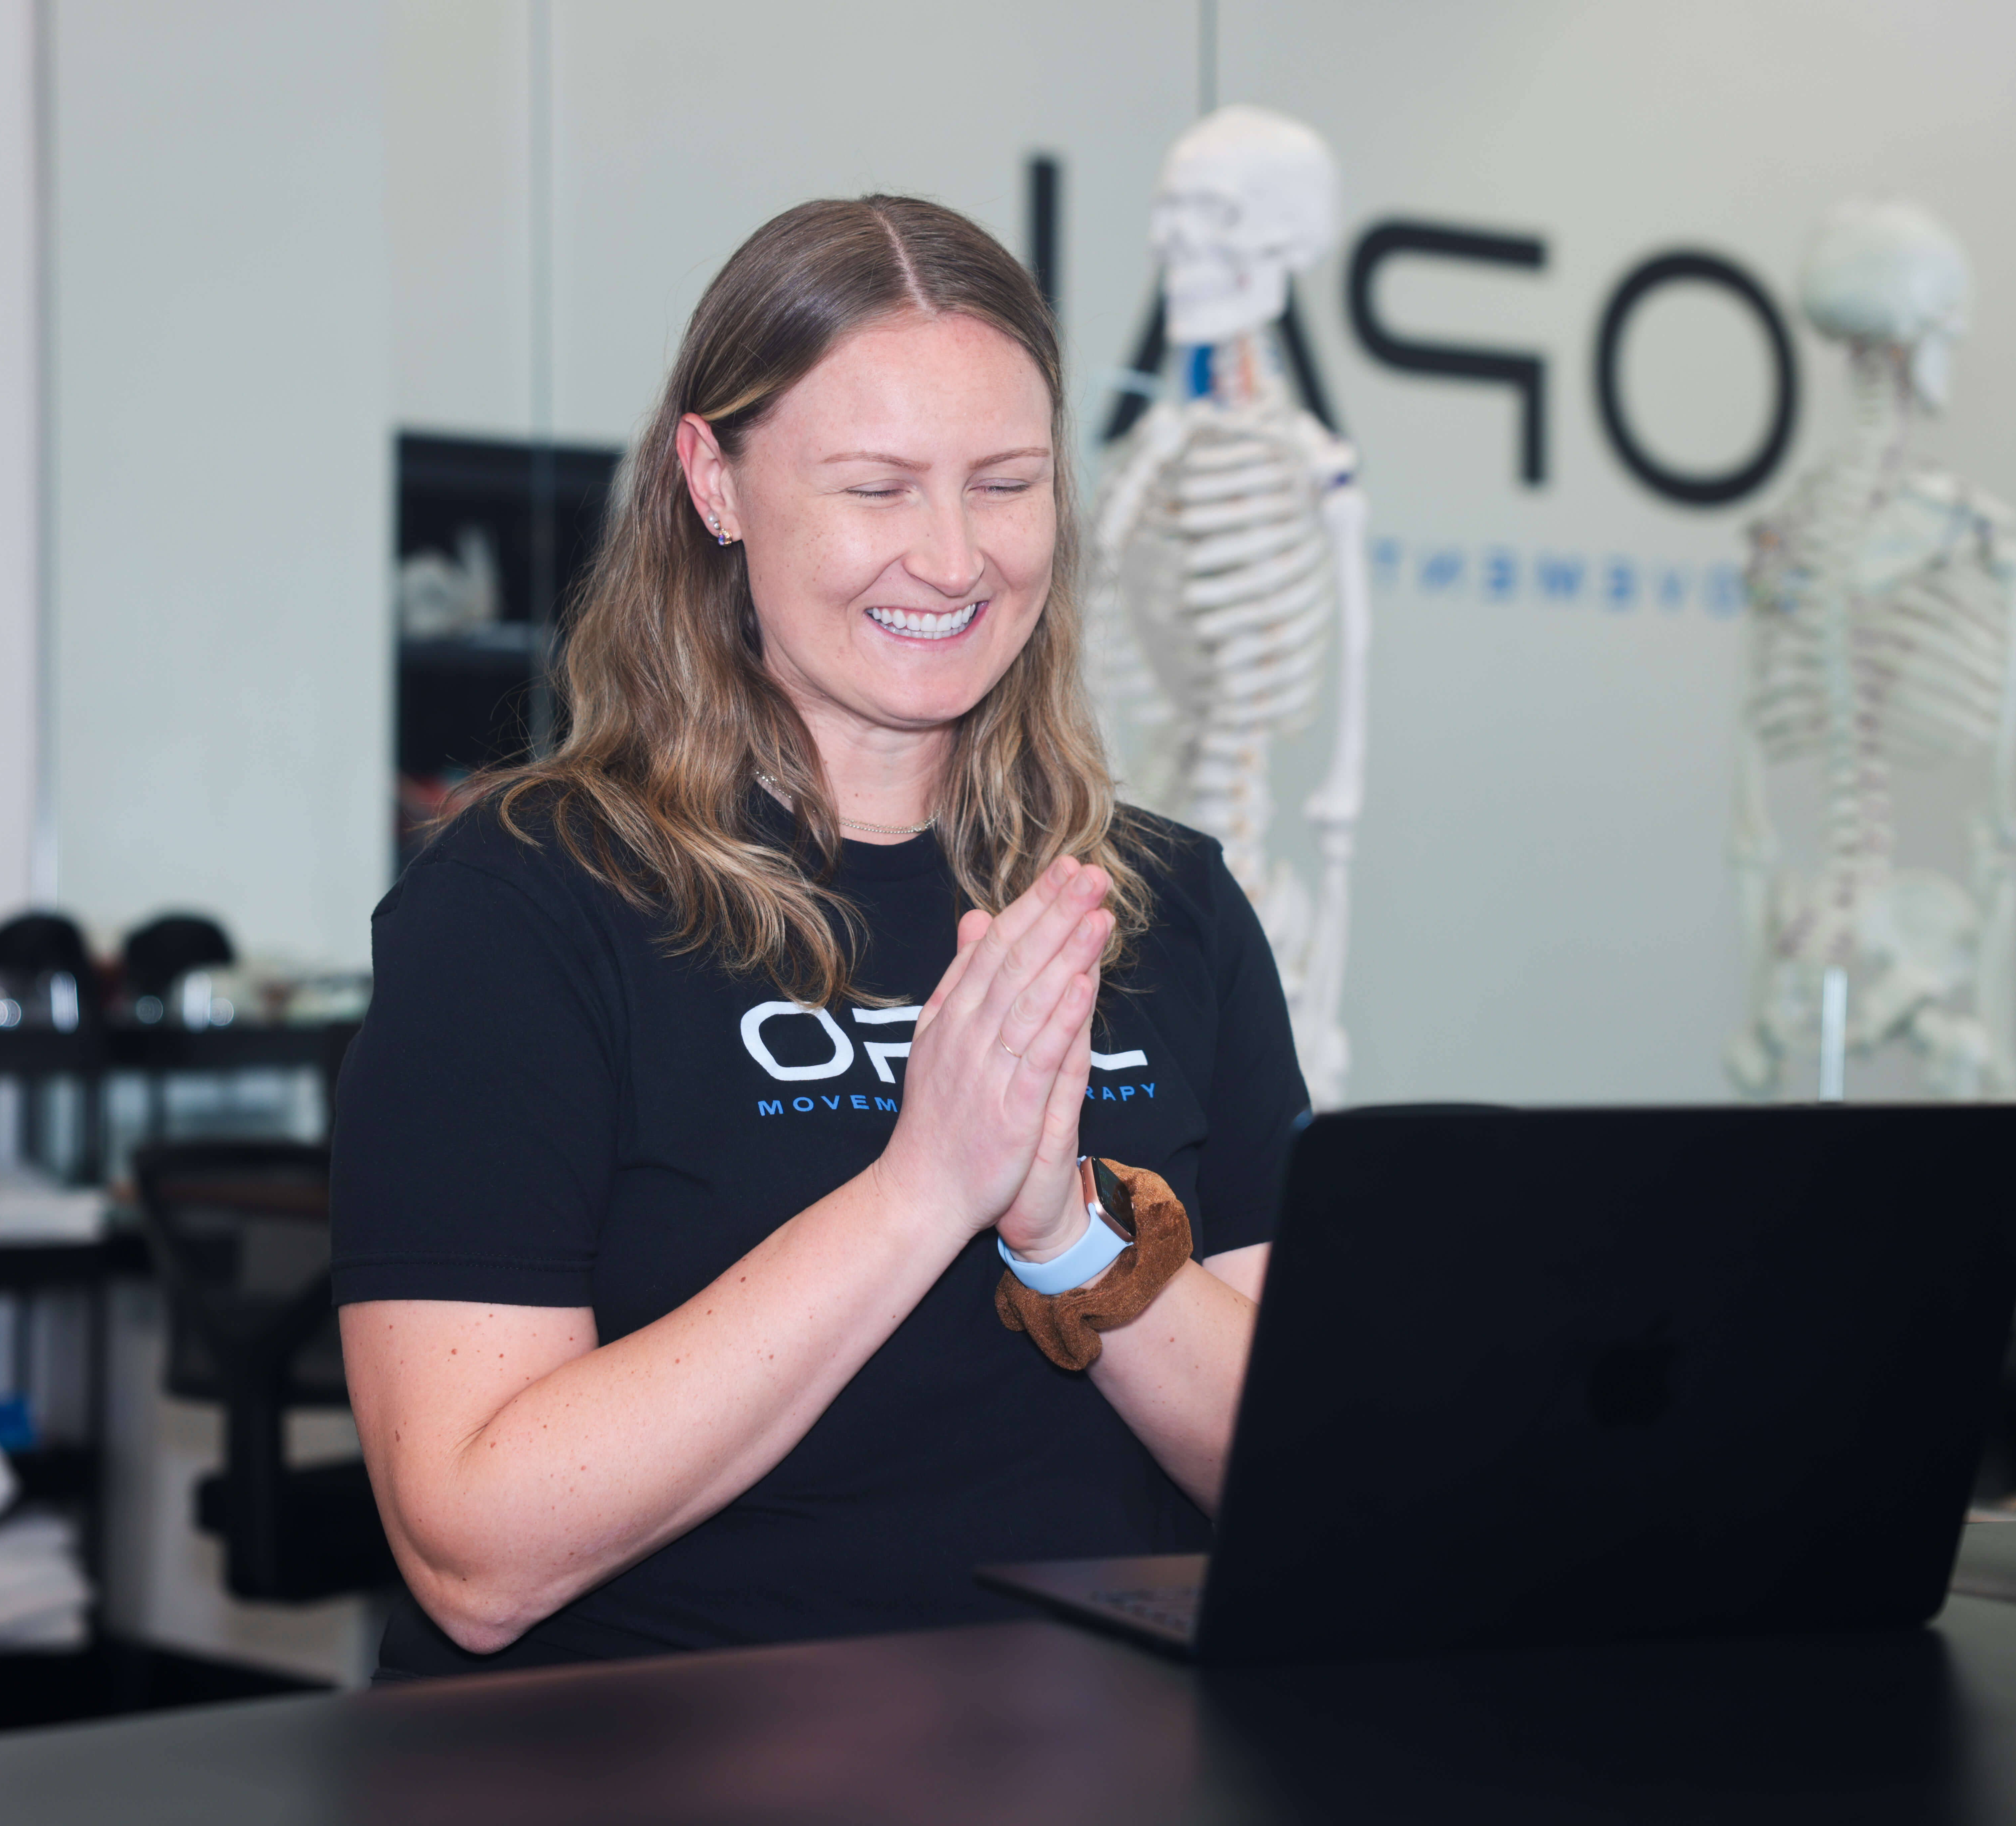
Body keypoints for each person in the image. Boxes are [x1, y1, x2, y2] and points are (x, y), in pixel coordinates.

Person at [331, 195, 1311, 1676]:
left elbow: (1301, 1481)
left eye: (1005, 482)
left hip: (1092, 1755)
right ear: (713, 483)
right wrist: (924, 1190)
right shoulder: (526, 903)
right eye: (875, 488)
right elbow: (476, 1549)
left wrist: (1062, 1233)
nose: (953, 556)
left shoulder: (1163, 908)